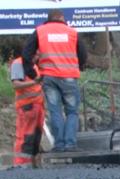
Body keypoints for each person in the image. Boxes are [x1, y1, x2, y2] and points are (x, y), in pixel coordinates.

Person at [22, 9, 87, 152]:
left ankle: (59, 145)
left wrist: (33, 75)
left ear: (49, 18)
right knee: (72, 112)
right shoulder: (72, 32)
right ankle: (70, 144)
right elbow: (83, 54)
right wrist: (80, 66)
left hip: (49, 78)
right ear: (62, 18)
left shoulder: (40, 31)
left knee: (55, 111)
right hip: (69, 76)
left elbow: (26, 54)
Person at [9, 48, 46, 167]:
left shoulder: (33, 66)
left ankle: (32, 164)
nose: (37, 57)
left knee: (35, 137)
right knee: (25, 136)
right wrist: (35, 82)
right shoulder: (18, 63)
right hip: (27, 106)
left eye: (38, 55)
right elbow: (16, 85)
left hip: (37, 106)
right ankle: (21, 165)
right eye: (35, 55)